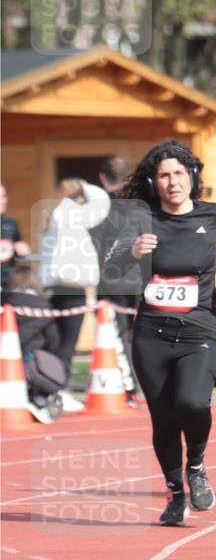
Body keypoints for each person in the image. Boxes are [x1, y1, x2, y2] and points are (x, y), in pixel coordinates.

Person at [106, 139, 216, 527]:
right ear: (154, 181)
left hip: (198, 327)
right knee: (164, 419)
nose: (172, 182)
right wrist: (130, 251)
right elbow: (108, 265)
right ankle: (174, 492)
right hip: (151, 333)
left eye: (179, 174)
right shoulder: (140, 219)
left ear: (192, 176)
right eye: (164, 175)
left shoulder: (214, 215)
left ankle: (196, 464)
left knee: (193, 403)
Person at [40, 178, 110, 411]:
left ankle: (49, 388)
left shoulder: (52, 215)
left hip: (53, 286)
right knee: (67, 344)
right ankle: (58, 391)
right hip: (73, 287)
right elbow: (102, 203)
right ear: (79, 197)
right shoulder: (73, 213)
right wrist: (87, 186)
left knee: (56, 341)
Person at [88, 155, 143, 407]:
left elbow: (90, 244)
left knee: (119, 336)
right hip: (142, 278)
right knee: (142, 335)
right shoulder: (142, 204)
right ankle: (143, 386)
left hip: (112, 280)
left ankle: (129, 389)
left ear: (102, 178)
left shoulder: (98, 209)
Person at [1, 263, 65, 423]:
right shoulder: (43, 307)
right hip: (30, 365)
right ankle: (37, 397)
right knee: (40, 360)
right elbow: (53, 341)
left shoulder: (3, 303)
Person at [0, 182, 31, 288]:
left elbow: (18, 250)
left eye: (4, 196)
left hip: (8, 282)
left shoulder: (11, 222)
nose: (3, 201)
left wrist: (21, 250)